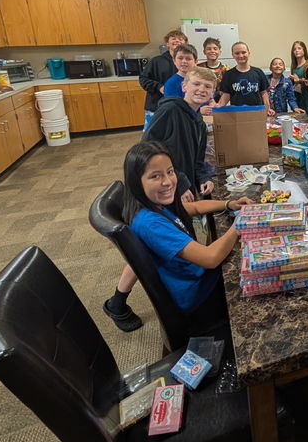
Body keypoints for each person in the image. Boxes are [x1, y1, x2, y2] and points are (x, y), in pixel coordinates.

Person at [102, 67, 220, 332]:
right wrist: (178, 181)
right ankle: (118, 301)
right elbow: (148, 148)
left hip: (173, 182)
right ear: (184, 86)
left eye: (207, 87)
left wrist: (199, 176)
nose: (201, 90)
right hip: (163, 185)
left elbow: (198, 158)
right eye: (197, 84)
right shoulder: (170, 110)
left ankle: (117, 301)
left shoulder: (198, 120)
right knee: (155, 240)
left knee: (152, 245)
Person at [121, 140, 252, 334]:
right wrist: (239, 224)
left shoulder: (154, 204)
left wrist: (229, 204)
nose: (167, 182)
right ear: (136, 181)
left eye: (170, 171)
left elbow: (195, 207)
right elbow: (210, 258)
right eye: (155, 176)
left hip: (196, 282)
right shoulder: (151, 224)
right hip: (198, 297)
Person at [139, 28, 188, 127]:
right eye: (173, 38)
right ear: (167, 43)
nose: (177, 40)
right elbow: (143, 79)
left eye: (180, 39)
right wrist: (159, 87)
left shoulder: (187, 62)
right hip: (156, 106)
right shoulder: (156, 61)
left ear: (185, 43)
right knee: (153, 136)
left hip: (180, 107)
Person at [217, 42, 274, 114]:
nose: (241, 55)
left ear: (249, 53)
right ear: (233, 55)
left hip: (257, 113)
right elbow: (226, 96)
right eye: (237, 53)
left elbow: (264, 93)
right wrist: (218, 108)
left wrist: (267, 108)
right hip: (237, 114)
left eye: (244, 52)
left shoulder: (258, 72)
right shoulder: (228, 75)